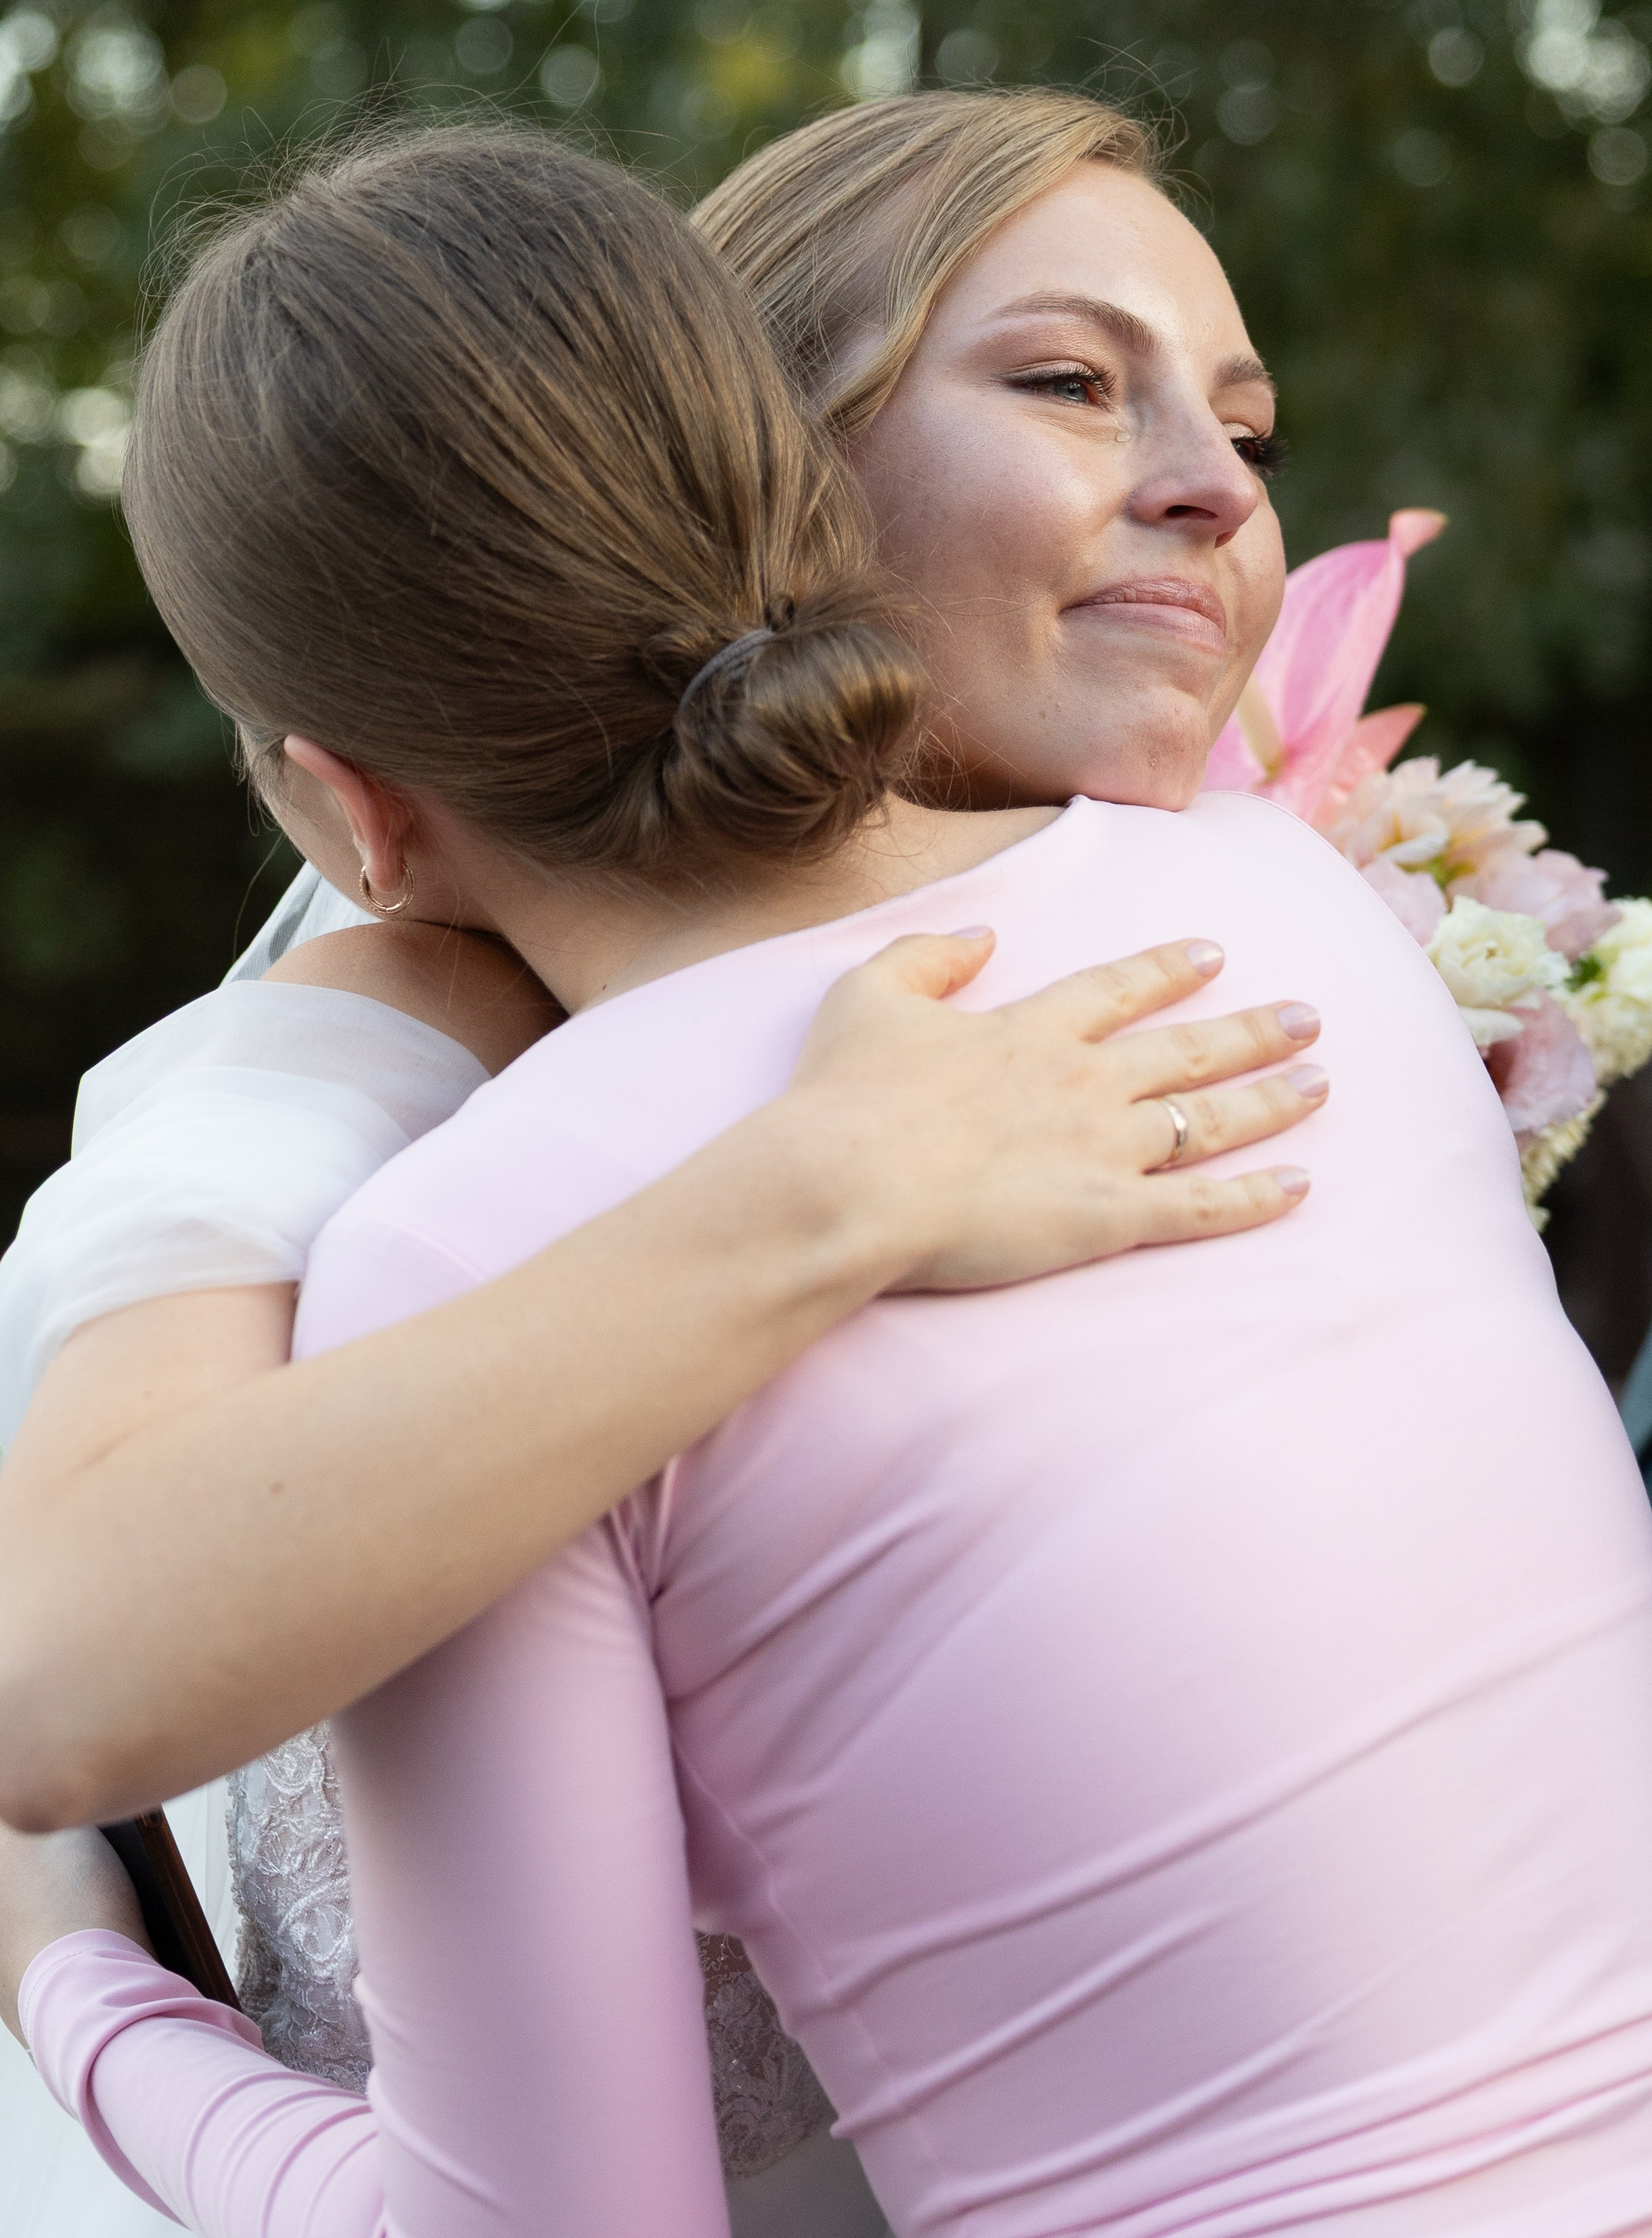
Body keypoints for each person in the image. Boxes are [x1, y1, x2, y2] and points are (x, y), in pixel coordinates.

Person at [8, 120, 1652, 2238]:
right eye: (1066, 379)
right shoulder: (1275, 900)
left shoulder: (465, 1273)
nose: (1218, 484)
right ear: (804, 499)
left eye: (1245, 427)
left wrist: (76, 1983)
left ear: (344, 807)